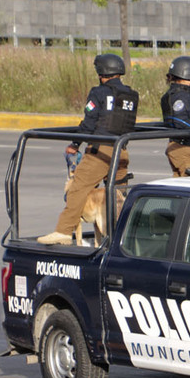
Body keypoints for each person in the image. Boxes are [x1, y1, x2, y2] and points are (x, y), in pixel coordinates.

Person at [38, 54, 139, 245]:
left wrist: (75, 144)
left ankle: (63, 232)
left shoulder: (99, 93)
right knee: (118, 195)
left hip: (100, 151)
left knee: (77, 190)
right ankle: (126, 237)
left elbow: (89, 123)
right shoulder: (131, 95)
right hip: (122, 151)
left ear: (102, 73)